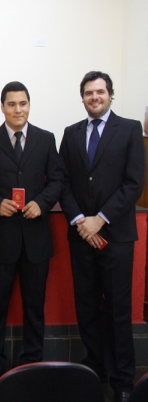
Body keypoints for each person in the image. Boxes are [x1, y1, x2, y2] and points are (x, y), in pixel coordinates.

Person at [59, 71, 145, 402]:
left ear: (110, 94)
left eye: (100, 92)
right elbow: (63, 182)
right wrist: (81, 221)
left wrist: (101, 219)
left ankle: (123, 381)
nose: (94, 97)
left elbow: (134, 183)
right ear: (82, 97)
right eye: (89, 93)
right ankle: (95, 370)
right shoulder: (71, 132)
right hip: (82, 236)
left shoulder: (130, 129)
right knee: (87, 306)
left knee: (118, 309)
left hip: (116, 236)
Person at [0, 82, 62, 391]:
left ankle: (32, 365)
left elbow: (58, 180)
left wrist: (42, 203)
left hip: (36, 239)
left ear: (29, 105)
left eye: (23, 103)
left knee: (34, 307)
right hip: (2, 238)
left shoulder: (45, 139)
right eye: (11, 104)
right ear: (2, 107)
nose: (18, 109)